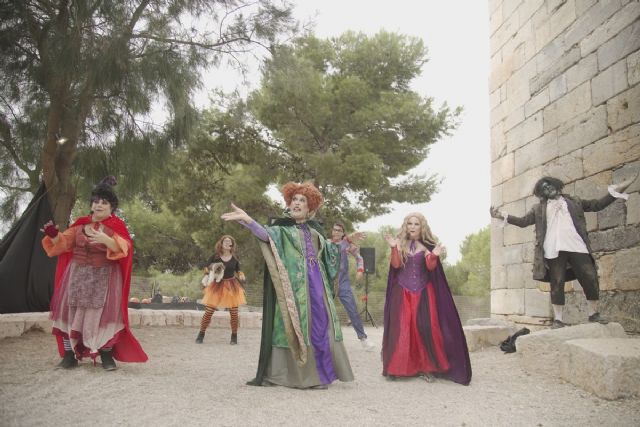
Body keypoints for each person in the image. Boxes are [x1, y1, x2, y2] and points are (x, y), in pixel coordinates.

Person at [221, 182, 354, 389]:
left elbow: (331, 254)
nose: (297, 203)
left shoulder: (316, 233)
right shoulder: (283, 230)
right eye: (294, 200)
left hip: (318, 287)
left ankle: (320, 375)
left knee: (320, 326)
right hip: (294, 289)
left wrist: (343, 244)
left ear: (310, 209)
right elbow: (266, 236)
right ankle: (297, 376)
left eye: (303, 200)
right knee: (297, 326)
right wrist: (248, 221)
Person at [490, 175, 637, 328]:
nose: (548, 189)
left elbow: (597, 205)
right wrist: (502, 215)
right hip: (554, 249)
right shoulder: (538, 208)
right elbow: (523, 222)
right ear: (542, 193)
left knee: (590, 277)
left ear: (557, 185)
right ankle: (558, 320)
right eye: (544, 189)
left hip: (577, 246)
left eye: (549, 185)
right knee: (557, 282)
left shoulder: (575, 202)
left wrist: (616, 191)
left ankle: (594, 314)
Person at [41, 176, 147, 370]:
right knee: (70, 314)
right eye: (96, 202)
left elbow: (124, 248)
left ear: (111, 208)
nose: (99, 205)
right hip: (77, 277)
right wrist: (54, 236)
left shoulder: (116, 226)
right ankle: (69, 355)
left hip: (104, 278)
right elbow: (63, 245)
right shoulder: (80, 225)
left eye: (104, 203)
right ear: (91, 205)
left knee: (104, 316)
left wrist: (106, 239)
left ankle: (106, 357)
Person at [382, 213, 471, 385]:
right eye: (410, 223)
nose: (413, 226)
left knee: (425, 327)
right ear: (406, 226)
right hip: (403, 292)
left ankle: (426, 367)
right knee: (403, 329)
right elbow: (396, 265)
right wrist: (394, 248)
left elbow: (430, 266)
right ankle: (397, 367)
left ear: (422, 227)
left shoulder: (427, 246)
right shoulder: (400, 244)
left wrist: (435, 255)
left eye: (416, 224)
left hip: (424, 292)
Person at [330, 222, 374, 350]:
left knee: (353, 311)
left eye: (339, 230)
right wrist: (348, 238)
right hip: (327, 283)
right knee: (323, 310)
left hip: (343, 283)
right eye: (334, 230)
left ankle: (363, 339)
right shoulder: (326, 243)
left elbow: (360, 258)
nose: (336, 232)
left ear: (343, 233)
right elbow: (335, 248)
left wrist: (360, 270)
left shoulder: (348, 246)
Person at [195, 235, 247, 345]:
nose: (228, 243)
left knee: (234, 313)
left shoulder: (235, 257)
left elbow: (238, 270)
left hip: (231, 285)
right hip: (217, 285)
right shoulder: (215, 256)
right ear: (221, 243)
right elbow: (206, 267)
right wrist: (210, 269)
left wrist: (241, 275)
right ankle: (201, 334)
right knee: (209, 311)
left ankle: (234, 336)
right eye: (226, 241)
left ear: (232, 245)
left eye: (230, 241)